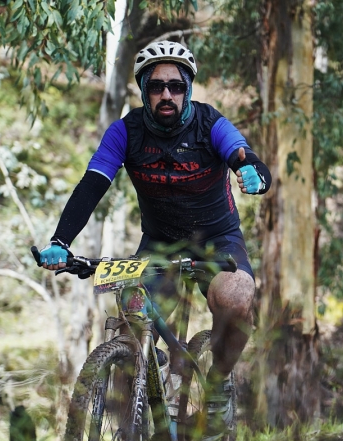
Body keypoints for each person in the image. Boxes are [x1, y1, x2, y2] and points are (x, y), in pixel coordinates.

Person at [37, 40, 271, 417]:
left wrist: (253, 172)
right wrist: (61, 240)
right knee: (132, 331)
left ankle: (216, 387)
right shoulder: (125, 132)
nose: (166, 94)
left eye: (175, 86)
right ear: (144, 90)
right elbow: (92, 185)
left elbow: (244, 156)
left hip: (216, 240)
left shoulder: (210, 124)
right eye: (156, 86)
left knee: (237, 296)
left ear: (188, 90)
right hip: (160, 244)